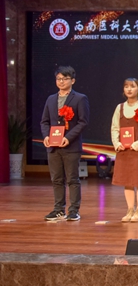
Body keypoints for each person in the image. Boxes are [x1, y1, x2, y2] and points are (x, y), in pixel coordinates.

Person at [40, 66, 90, 221]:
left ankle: (74, 210)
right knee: (56, 179)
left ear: (72, 80)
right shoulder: (50, 99)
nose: (61, 82)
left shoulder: (80, 98)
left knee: (72, 179)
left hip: (71, 146)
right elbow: (44, 121)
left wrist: (68, 138)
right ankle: (58, 210)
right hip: (53, 146)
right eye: (58, 79)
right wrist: (46, 136)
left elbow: (83, 122)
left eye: (65, 79)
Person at [111, 78, 138, 222]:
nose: (129, 89)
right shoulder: (120, 107)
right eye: (126, 87)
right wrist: (117, 143)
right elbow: (115, 127)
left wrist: (137, 144)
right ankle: (130, 209)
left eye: (132, 86)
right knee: (127, 180)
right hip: (123, 150)